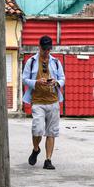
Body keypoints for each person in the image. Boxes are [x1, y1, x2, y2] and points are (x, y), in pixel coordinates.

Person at [22, 35, 65, 170]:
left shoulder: (56, 62)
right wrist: (36, 82)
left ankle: (48, 160)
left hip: (53, 101)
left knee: (51, 132)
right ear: (39, 47)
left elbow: (63, 78)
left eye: (48, 49)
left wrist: (56, 82)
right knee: (37, 130)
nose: (46, 52)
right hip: (38, 102)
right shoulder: (32, 61)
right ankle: (36, 149)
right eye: (44, 49)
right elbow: (24, 79)